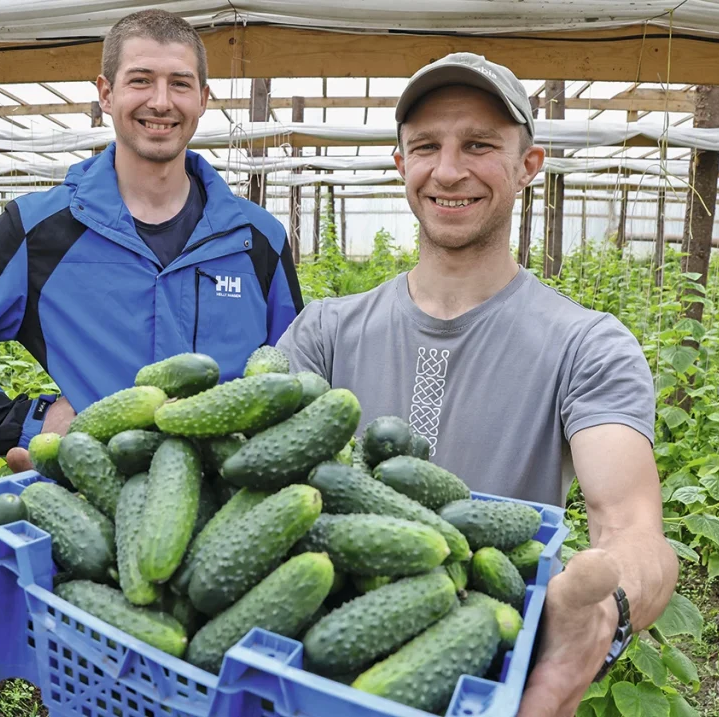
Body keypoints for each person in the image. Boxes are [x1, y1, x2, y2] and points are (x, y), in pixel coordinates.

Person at [275, 53, 678, 716]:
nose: (450, 169)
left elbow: (631, 523)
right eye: (427, 146)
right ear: (401, 164)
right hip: (319, 666)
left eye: (480, 145)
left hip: (485, 674)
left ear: (529, 164)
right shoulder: (324, 332)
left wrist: (607, 604)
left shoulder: (587, 344)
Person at [0, 9, 303, 472]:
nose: (161, 101)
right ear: (106, 93)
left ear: (203, 99)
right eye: (140, 80)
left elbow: (293, 375)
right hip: (91, 504)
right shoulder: (41, 230)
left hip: (234, 506)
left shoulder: (258, 240)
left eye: (180, 83)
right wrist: (28, 421)